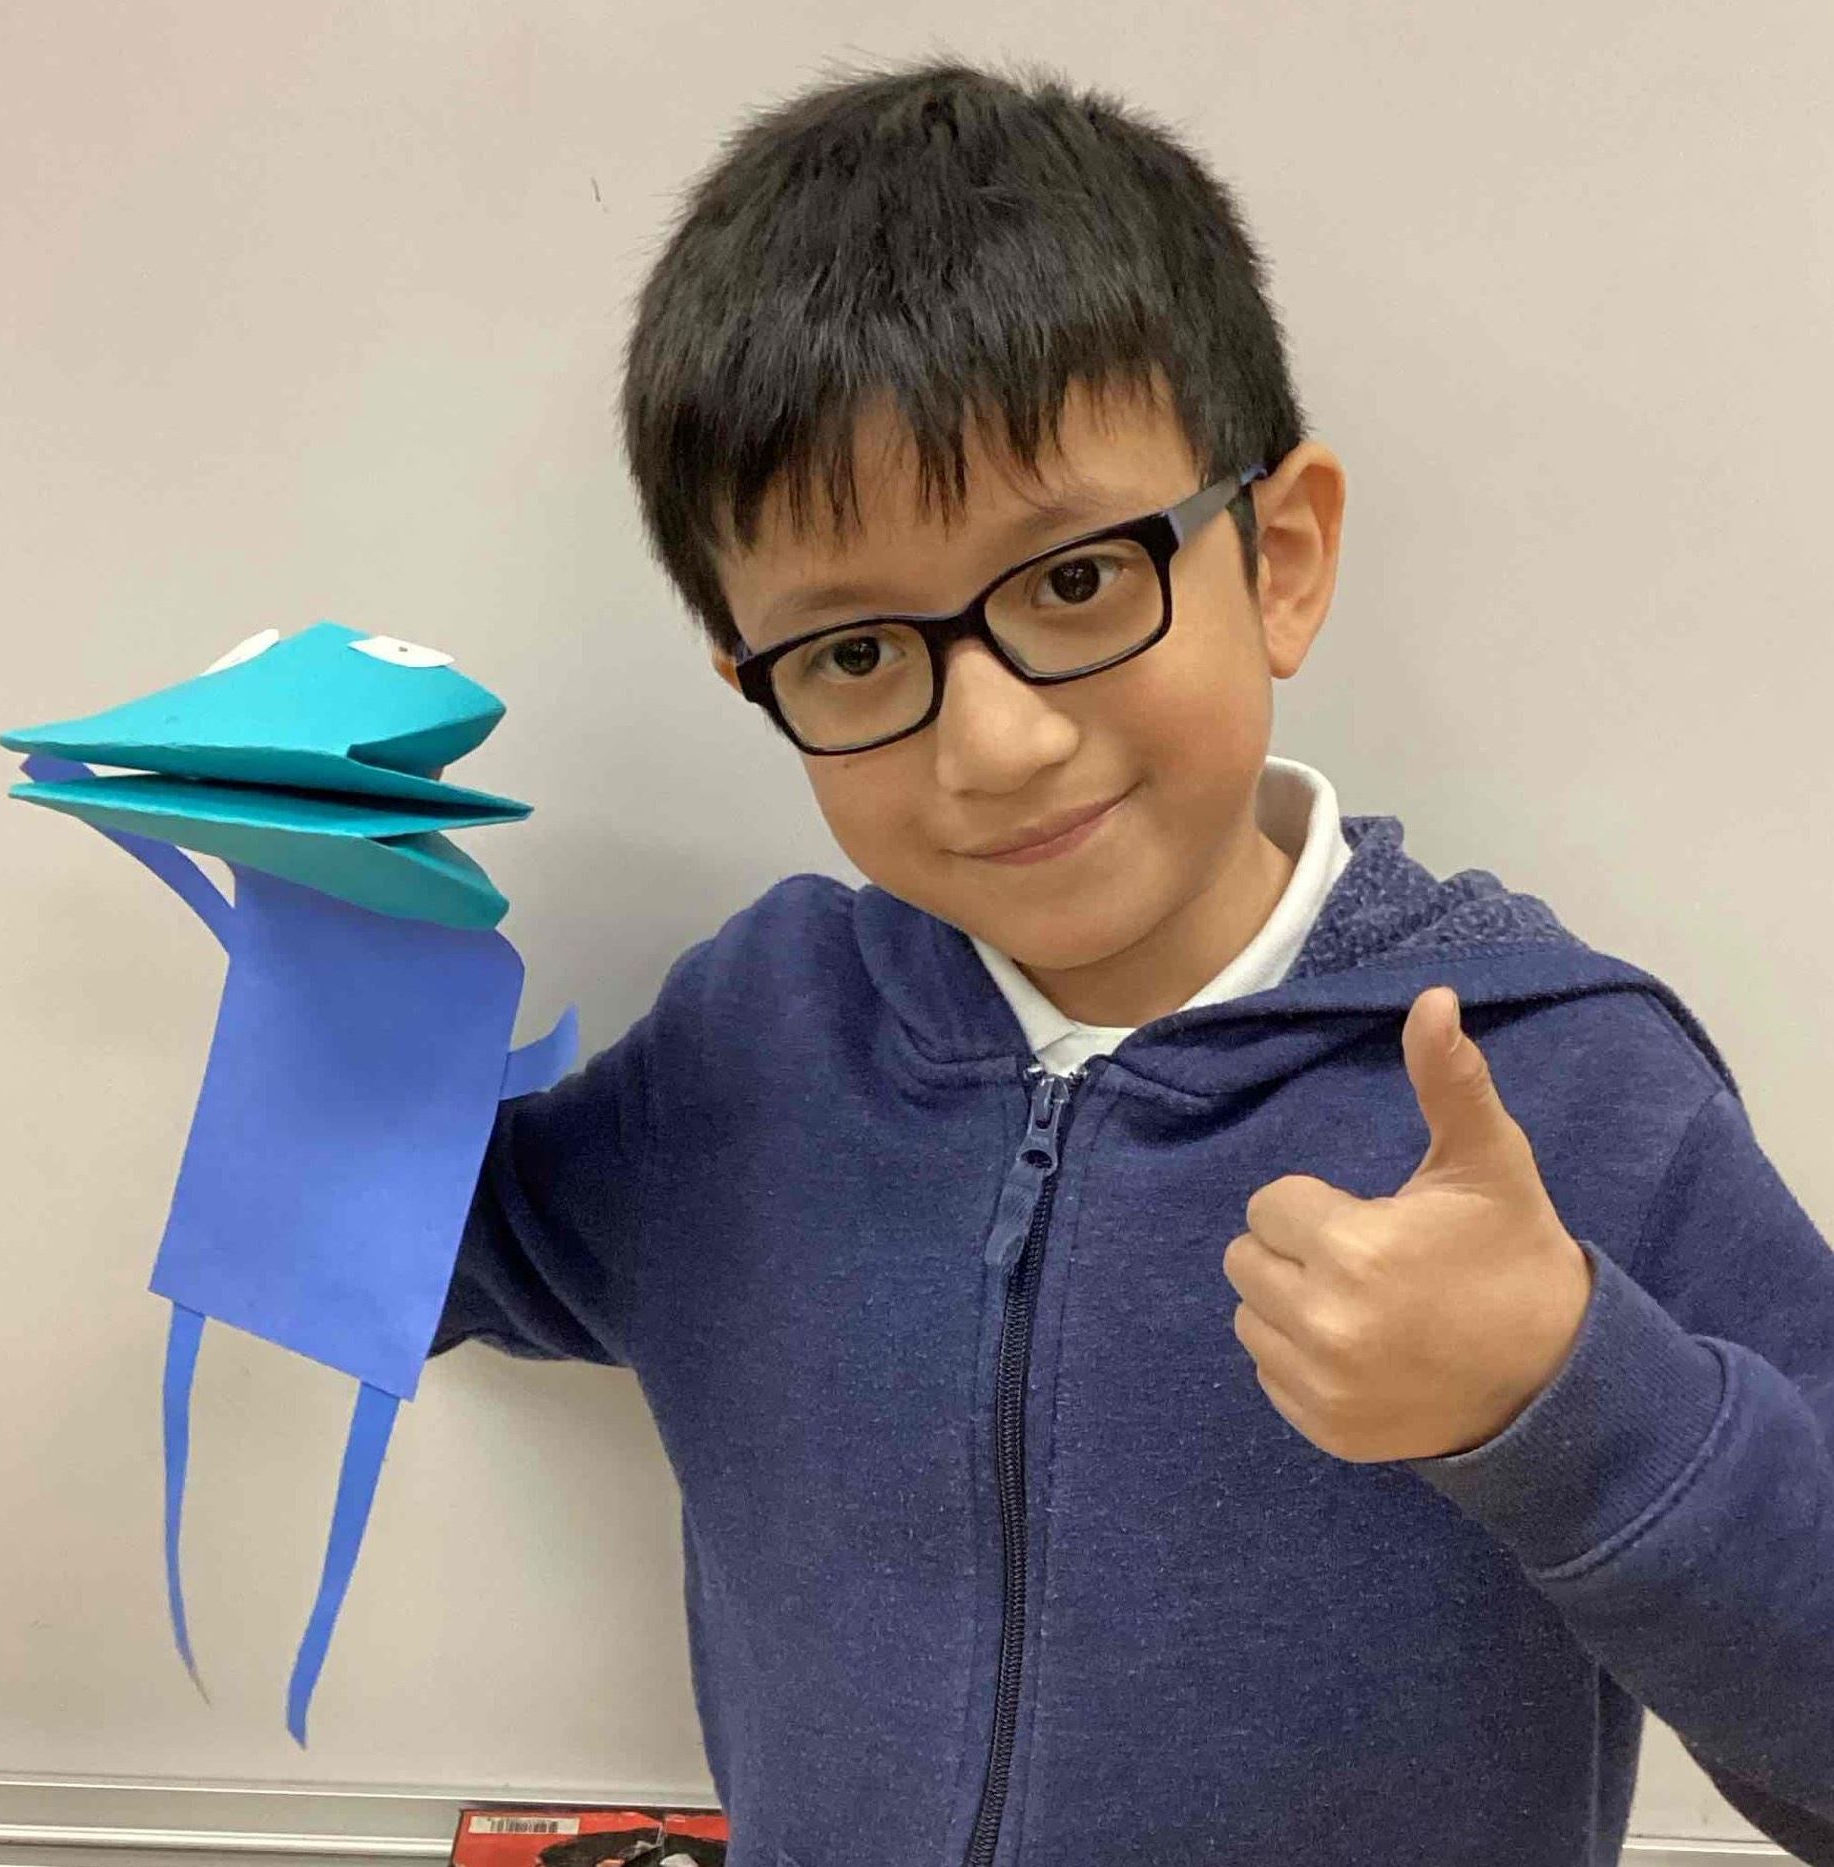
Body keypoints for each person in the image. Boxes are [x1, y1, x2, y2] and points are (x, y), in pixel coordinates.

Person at [431, 57, 1834, 1867]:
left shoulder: (1555, 1087)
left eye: (1077, 580)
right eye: (852, 653)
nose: (995, 742)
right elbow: (425, 1258)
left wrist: (1568, 1403)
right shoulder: (754, 1043)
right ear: (757, 687)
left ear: (1280, 559)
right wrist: (325, 948)